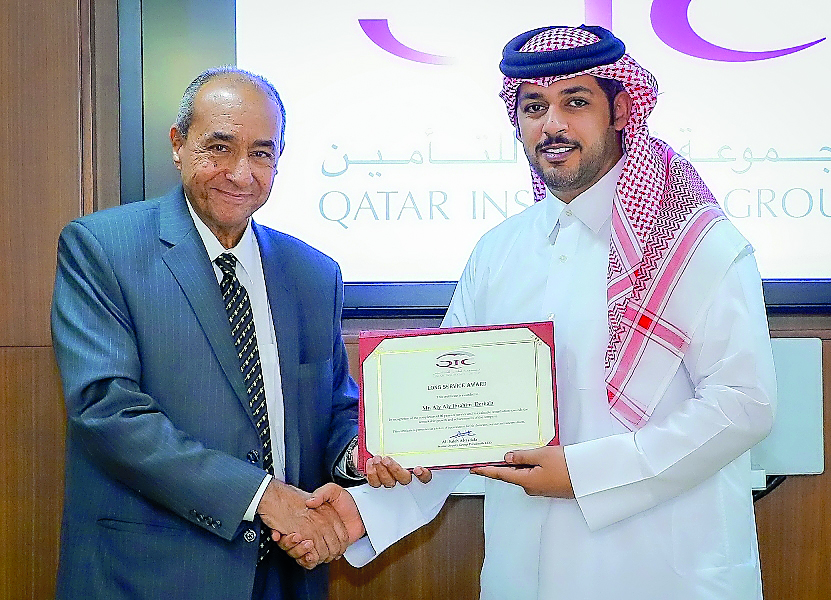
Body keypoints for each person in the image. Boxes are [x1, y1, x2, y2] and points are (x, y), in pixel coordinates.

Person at [283, 25, 777, 599]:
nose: (553, 125)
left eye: (576, 102)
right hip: (524, 577)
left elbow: (745, 404)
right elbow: (447, 425)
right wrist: (363, 512)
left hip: (666, 572)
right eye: (535, 107)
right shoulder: (499, 253)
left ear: (621, 110)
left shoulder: (694, 242)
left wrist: (586, 474)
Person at [51, 67, 364, 600]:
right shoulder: (102, 249)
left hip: (288, 574)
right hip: (152, 576)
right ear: (178, 144)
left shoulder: (314, 273)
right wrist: (263, 497)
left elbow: (333, 407)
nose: (241, 173)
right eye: (218, 147)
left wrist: (359, 454)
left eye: (262, 153)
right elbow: (106, 410)